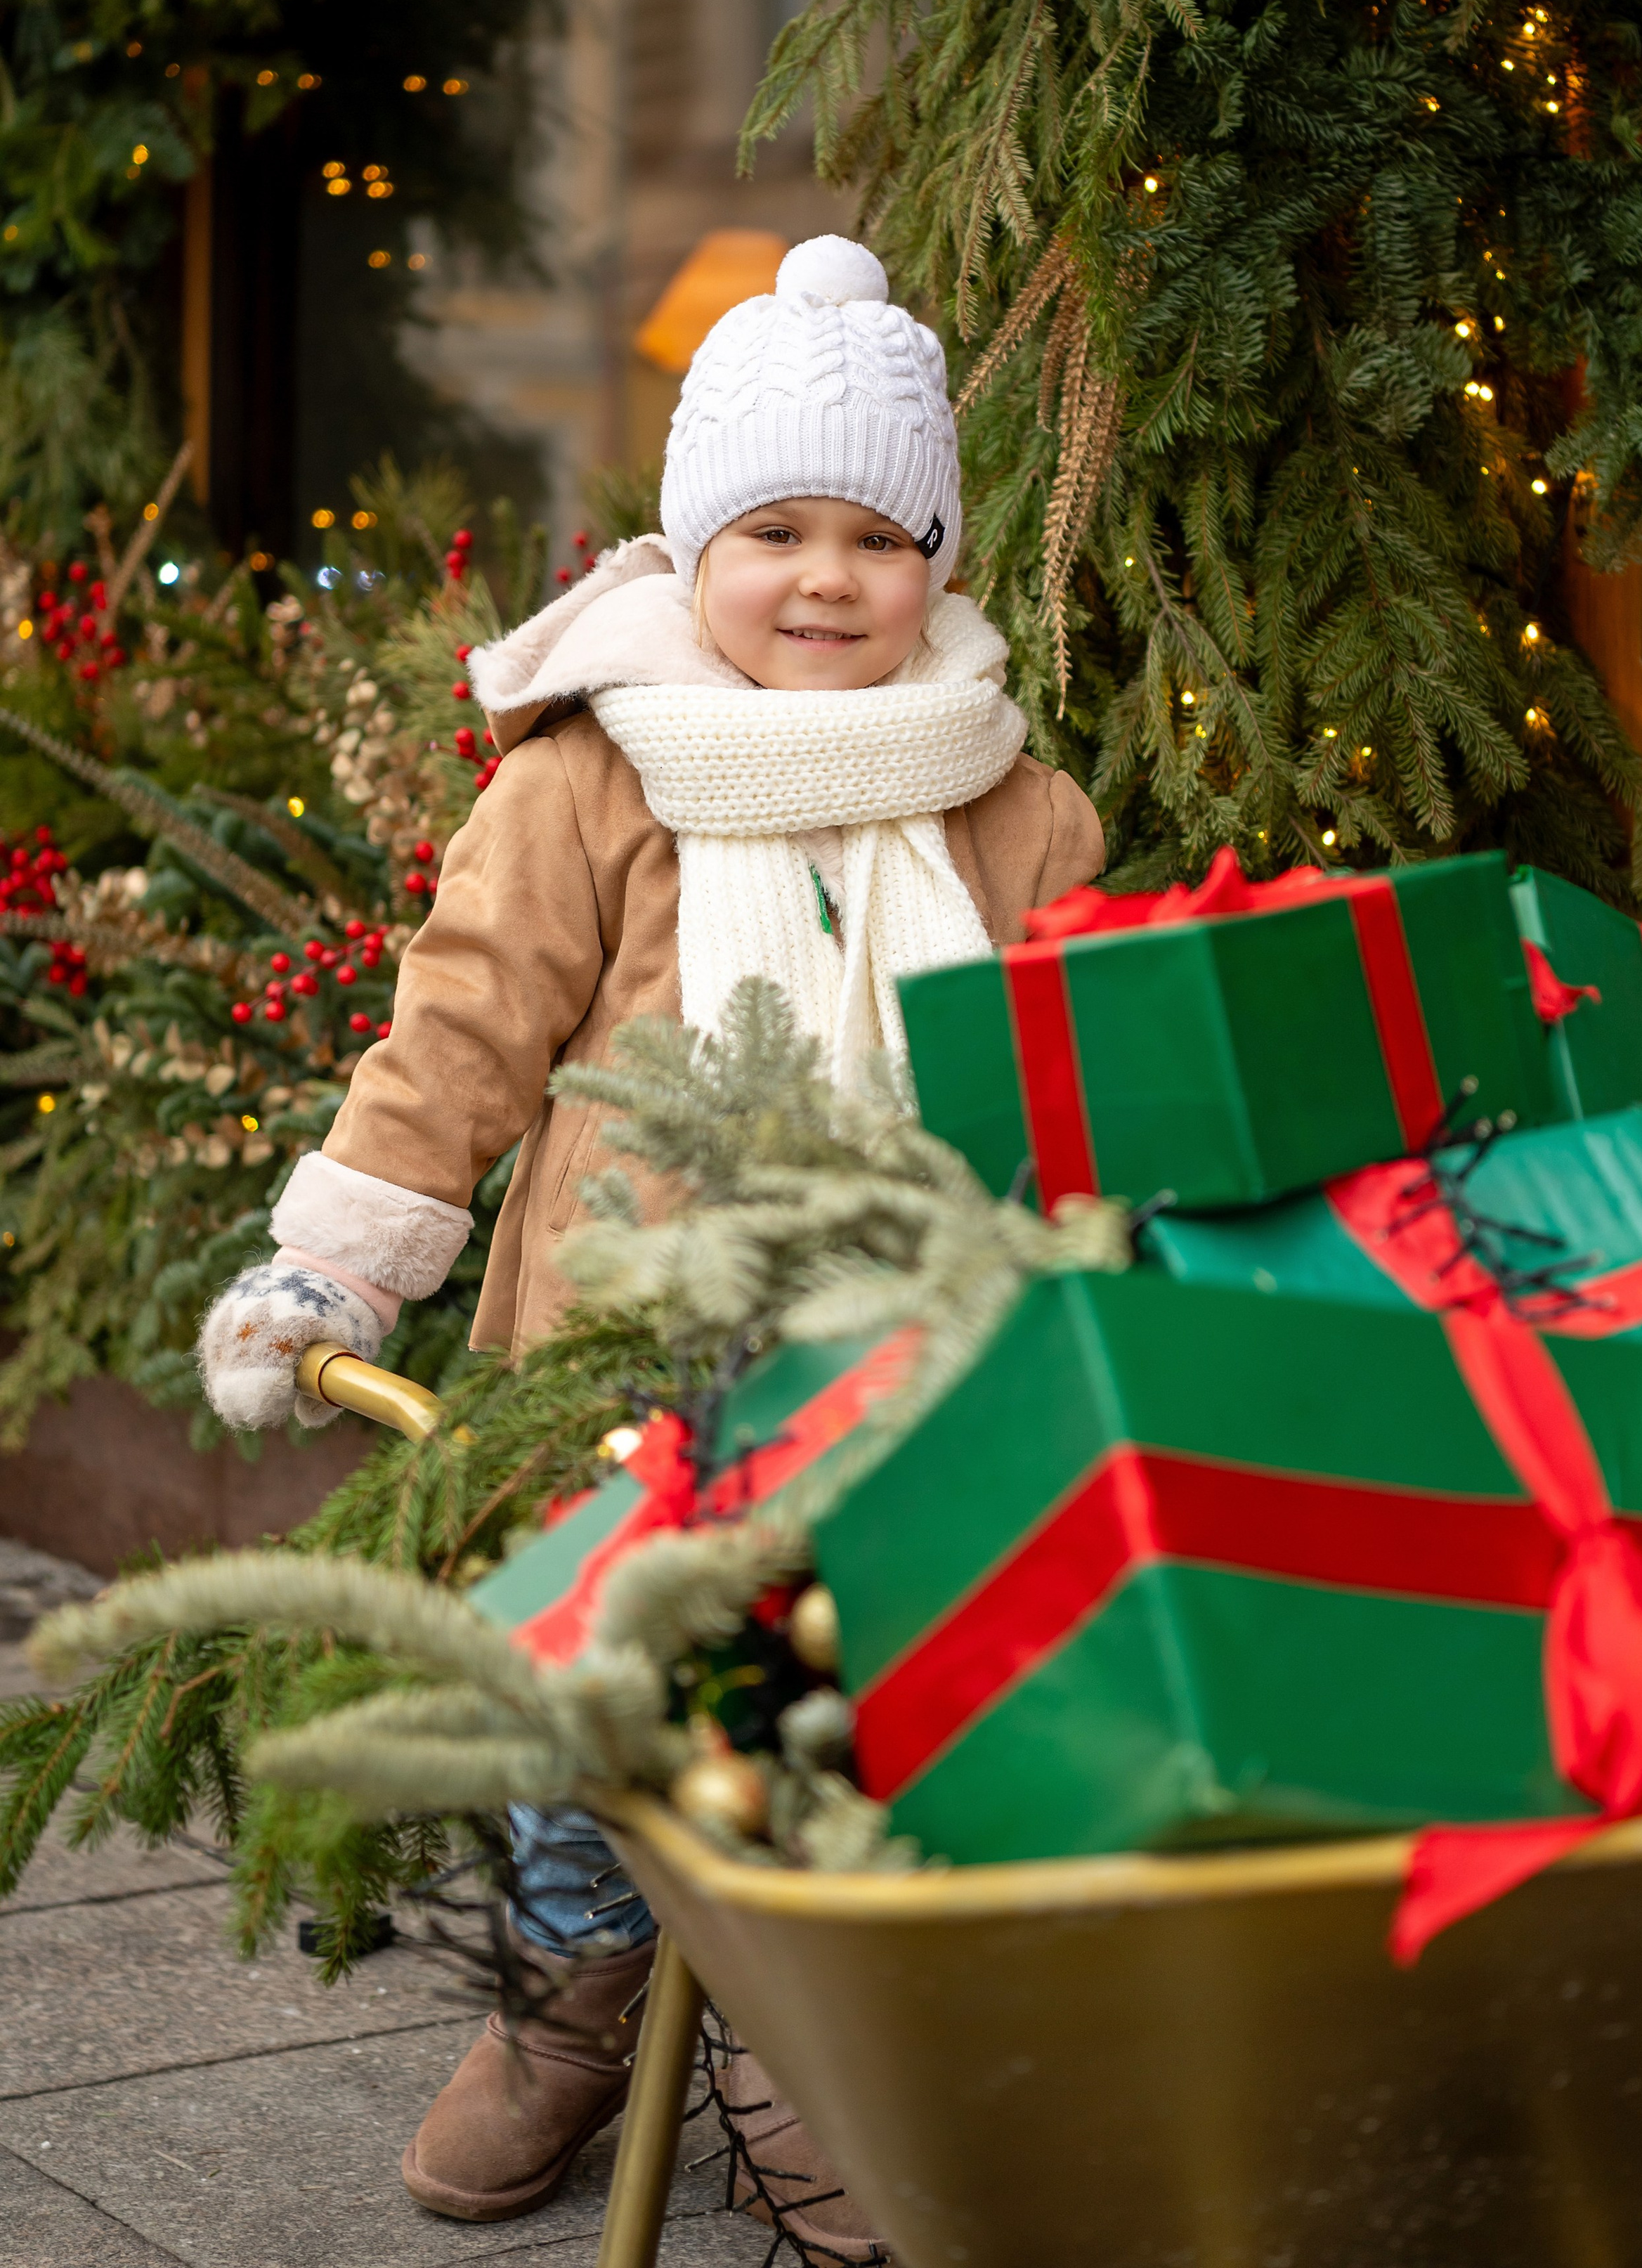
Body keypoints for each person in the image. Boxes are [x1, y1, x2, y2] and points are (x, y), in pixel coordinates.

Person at [196, 233, 1105, 2248]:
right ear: (693, 548)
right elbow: (462, 1035)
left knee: (852, 1696)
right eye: (772, 528)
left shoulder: (1016, 806)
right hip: (625, 1358)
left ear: (939, 564)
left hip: (903, 1353)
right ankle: (572, 2008)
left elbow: (1061, 1067)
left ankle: (803, 2034)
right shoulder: (597, 774)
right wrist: (342, 1266)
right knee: (600, 1712)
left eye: (877, 536)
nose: (824, 578)